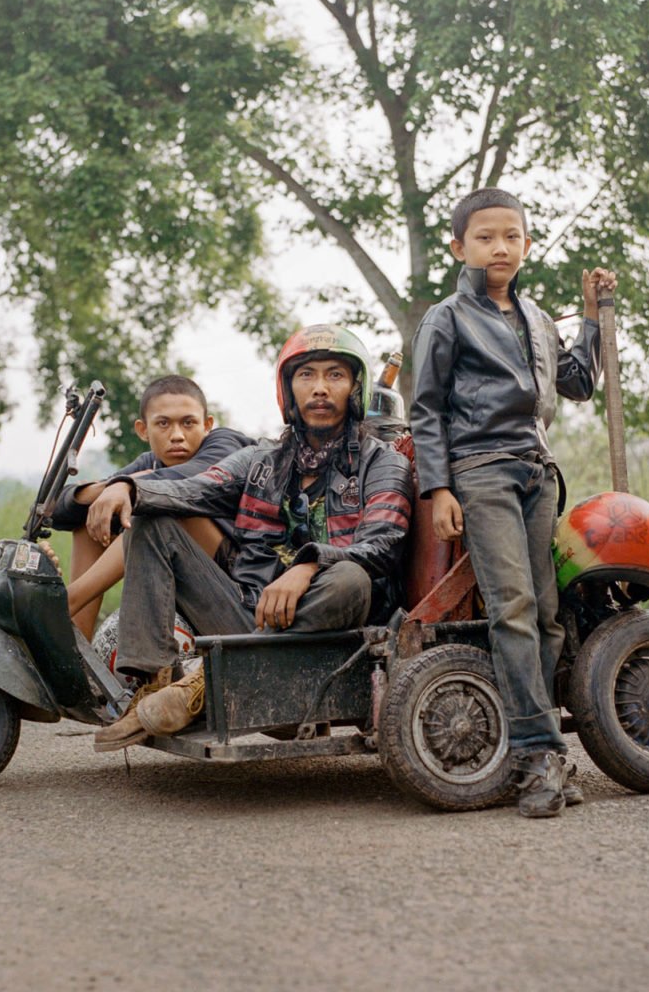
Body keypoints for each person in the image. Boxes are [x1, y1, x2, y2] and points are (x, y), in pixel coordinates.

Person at [89, 324, 414, 752]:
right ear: (288, 388)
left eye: (335, 375)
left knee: (351, 578)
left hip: (331, 622)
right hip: (249, 611)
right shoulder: (261, 459)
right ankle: (154, 684)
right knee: (153, 521)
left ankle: (200, 686)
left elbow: (383, 543)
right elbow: (194, 488)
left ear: (355, 387)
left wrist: (309, 564)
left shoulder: (381, 462)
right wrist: (128, 487)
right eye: (306, 375)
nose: (320, 388)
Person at [409, 186, 617, 819]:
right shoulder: (447, 318)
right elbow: (426, 410)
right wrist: (439, 487)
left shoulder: (536, 317)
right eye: (485, 237)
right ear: (458, 247)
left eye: (511, 236)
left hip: (539, 473)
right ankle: (534, 756)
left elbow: (578, 382)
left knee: (549, 615)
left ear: (526, 243)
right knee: (515, 609)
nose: (500, 247)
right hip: (482, 472)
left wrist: (590, 316)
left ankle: (544, 749)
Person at [49, 375, 254, 639]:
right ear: (143, 430)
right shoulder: (150, 463)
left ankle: (65, 603)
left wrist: (128, 486)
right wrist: (110, 488)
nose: (177, 435)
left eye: (188, 423)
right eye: (164, 424)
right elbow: (59, 510)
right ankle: (75, 648)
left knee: (156, 504)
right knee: (93, 518)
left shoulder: (226, 445)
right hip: (185, 577)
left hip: (236, 584)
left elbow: (185, 483)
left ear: (207, 425)